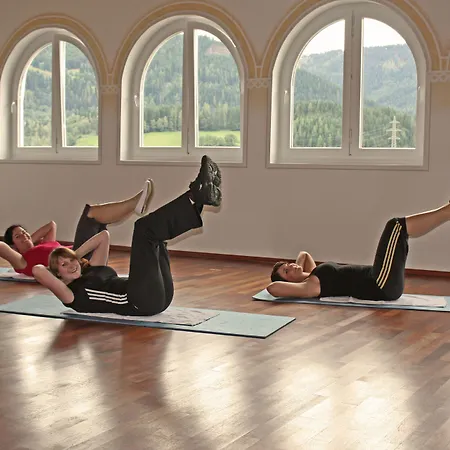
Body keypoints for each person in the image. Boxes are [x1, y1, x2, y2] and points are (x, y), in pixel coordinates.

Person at [32, 155, 222, 316]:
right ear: (57, 274)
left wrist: (74, 255)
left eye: (70, 261)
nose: (71, 265)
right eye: (63, 266)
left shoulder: (93, 268)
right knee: (144, 229)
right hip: (140, 301)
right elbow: (38, 270)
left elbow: (103, 236)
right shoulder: (70, 294)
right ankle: (196, 194)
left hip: (158, 296)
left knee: (157, 239)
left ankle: (199, 197)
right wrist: (60, 268)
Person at [268, 200, 450, 300]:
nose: (290, 266)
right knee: (395, 226)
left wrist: (296, 269)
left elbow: (304, 254)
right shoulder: (311, 286)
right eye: (286, 271)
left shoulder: (312, 275)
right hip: (380, 283)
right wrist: (296, 284)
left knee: (398, 229)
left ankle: (447, 211)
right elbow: (273, 288)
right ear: (288, 282)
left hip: (382, 280)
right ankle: (447, 211)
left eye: (287, 265)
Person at [0, 179, 153, 276]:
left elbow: (51, 225)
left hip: (83, 255)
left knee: (99, 220)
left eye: (24, 232)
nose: (24, 236)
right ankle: (134, 204)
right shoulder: (22, 261)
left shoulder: (43, 244)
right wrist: (24, 247)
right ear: (13, 247)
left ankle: (134, 206)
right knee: (90, 213)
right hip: (76, 258)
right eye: (18, 236)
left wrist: (29, 241)